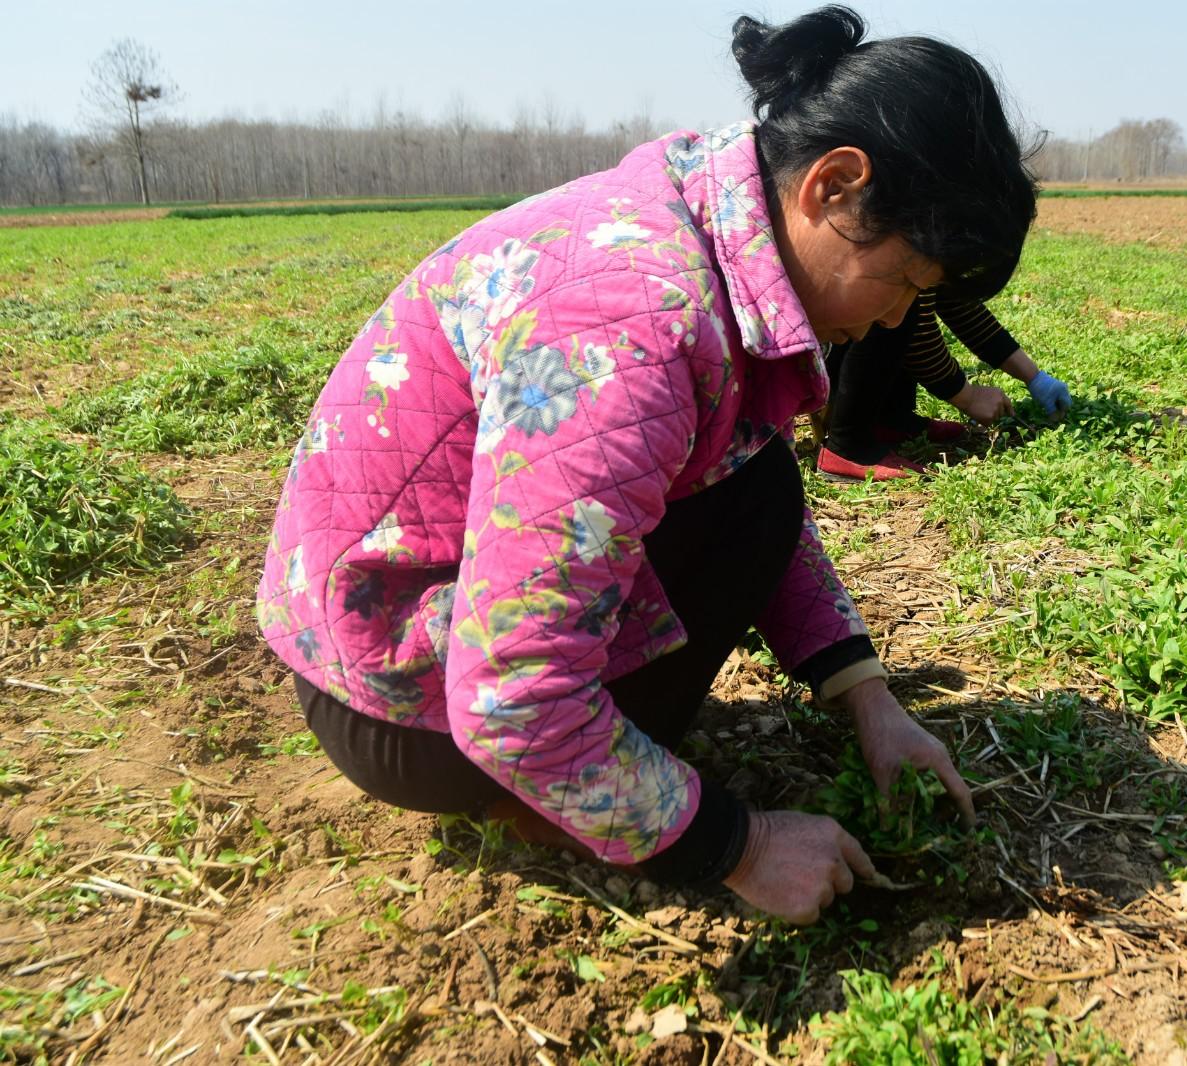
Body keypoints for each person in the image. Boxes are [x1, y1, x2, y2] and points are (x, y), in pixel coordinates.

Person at [255, 5, 1036, 926]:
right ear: (833, 185)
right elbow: (511, 695)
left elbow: (751, 490)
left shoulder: (704, 212)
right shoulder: (636, 326)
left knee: (757, 484)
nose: (899, 320)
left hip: (410, 619)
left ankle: (588, 768)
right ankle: (552, 803)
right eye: (905, 282)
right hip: (392, 693)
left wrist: (867, 697)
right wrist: (736, 846)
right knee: (748, 499)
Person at [817, 290, 1073, 480]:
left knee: (910, 297)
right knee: (899, 302)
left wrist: (1034, 376)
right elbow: (920, 332)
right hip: (817, 337)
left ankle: (889, 419)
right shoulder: (917, 227)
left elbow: (955, 300)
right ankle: (849, 446)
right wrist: (967, 396)